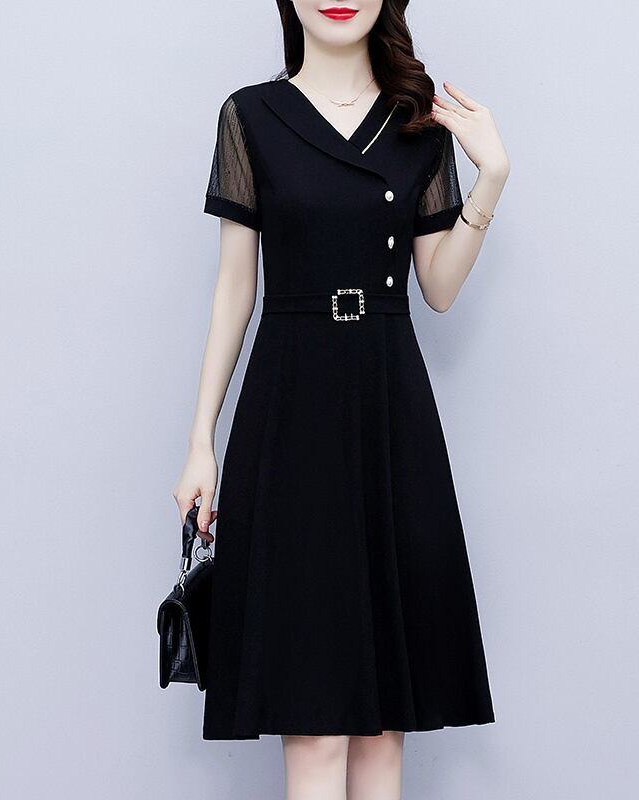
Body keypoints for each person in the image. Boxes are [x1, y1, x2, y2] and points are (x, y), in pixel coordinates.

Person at [172, 1, 510, 797]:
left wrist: (491, 179)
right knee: (315, 724)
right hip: (292, 412)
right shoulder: (251, 116)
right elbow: (235, 288)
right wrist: (200, 443)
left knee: (384, 733)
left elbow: (439, 289)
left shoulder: (417, 123)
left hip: (391, 413)